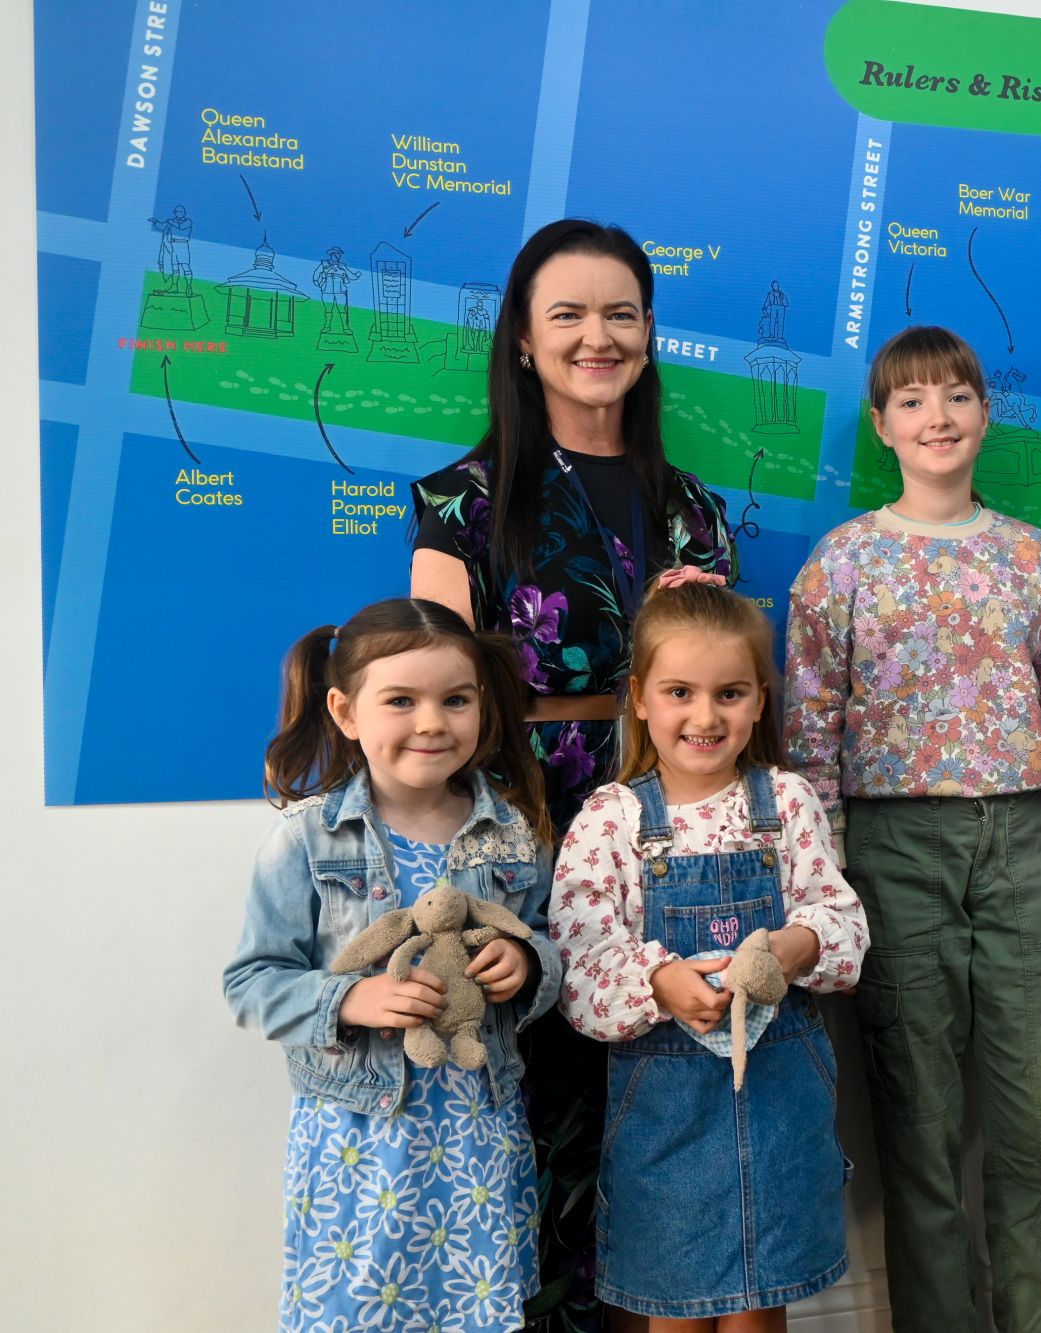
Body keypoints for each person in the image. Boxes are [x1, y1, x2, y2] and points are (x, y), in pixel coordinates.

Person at [410, 218, 735, 1328]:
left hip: (684, 837)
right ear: (521, 338)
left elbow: (730, 684)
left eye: (621, 315)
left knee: (672, 1116)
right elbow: (433, 701)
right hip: (529, 832)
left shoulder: (692, 505)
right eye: (569, 315)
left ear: (648, 334)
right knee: (547, 1122)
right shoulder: (461, 499)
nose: (597, 337)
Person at [786, 325, 1041, 1333]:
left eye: (955, 395)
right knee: (915, 1125)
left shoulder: (1026, 554)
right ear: (881, 427)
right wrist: (827, 885)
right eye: (912, 401)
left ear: (983, 413)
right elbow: (809, 735)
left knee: (1035, 1126)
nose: (937, 416)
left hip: (1017, 847)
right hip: (888, 853)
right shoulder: (839, 563)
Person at [223, 598, 559, 1333]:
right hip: (356, 1147)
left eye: (455, 699)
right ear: (345, 710)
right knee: (357, 1311)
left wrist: (528, 965)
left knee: (476, 1313)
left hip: (477, 1137)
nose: (432, 722)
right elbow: (250, 983)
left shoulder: (512, 833)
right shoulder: (307, 838)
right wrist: (348, 999)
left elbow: (545, 940)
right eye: (401, 700)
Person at [551, 570, 868, 1330]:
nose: (705, 714)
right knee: (678, 1309)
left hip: (781, 1103)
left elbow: (842, 921)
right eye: (680, 691)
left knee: (761, 1306)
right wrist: (659, 980)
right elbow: (581, 960)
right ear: (640, 698)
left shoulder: (786, 801)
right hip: (669, 1121)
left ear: (760, 699)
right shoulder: (611, 818)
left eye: (730, 693)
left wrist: (793, 948)